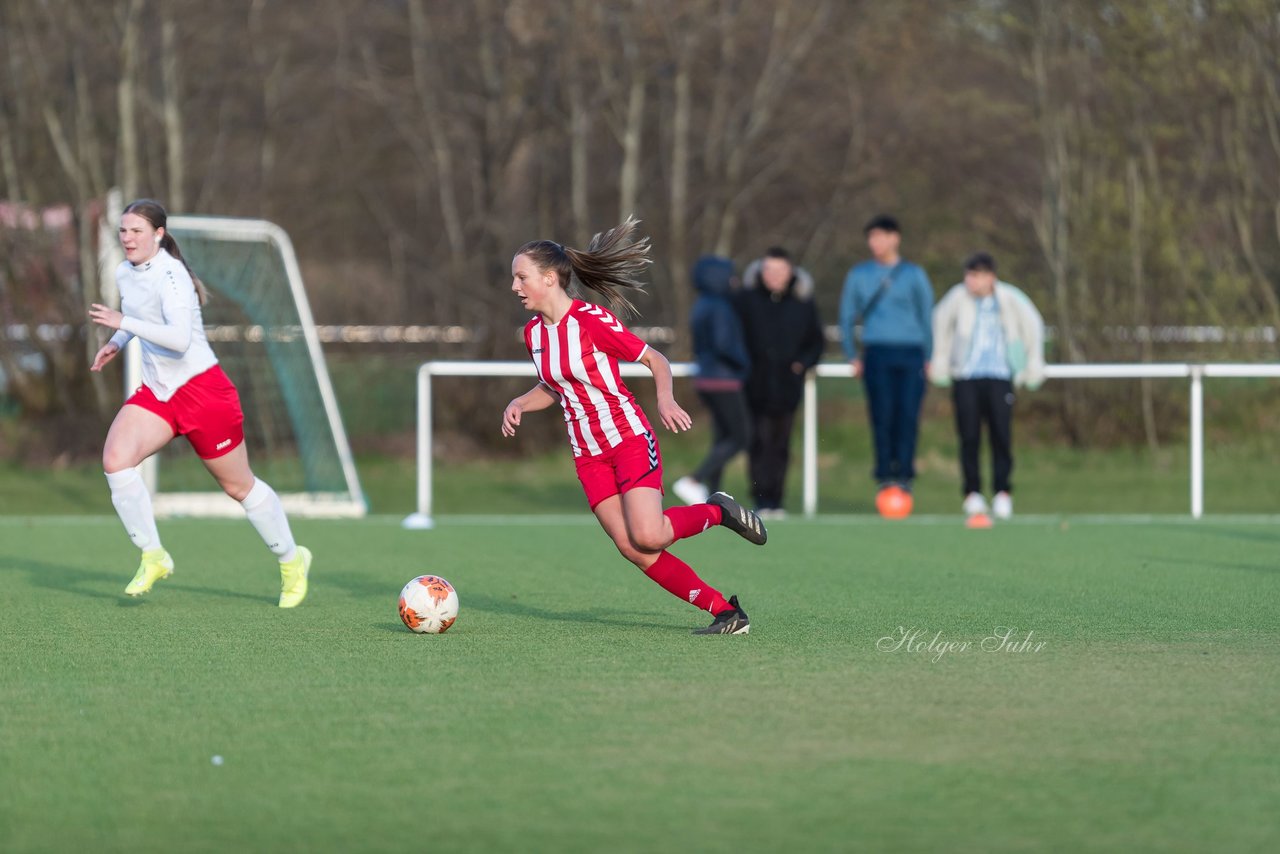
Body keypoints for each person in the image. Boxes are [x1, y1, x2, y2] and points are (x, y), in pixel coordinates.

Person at [500, 217, 764, 635]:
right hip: (588, 455)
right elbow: (555, 386)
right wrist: (520, 402)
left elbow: (654, 359)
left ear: (549, 278)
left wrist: (664, 398)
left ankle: (718, 511)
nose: (515, 287)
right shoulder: (534, 334)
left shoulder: (591, 321)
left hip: (627, 438)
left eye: (521, 277)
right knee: (633, 548)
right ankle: (726, 612)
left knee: (650, 534)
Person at [89, 199, 311, 606]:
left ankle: (291, 560)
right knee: (115, 460)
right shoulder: (125, 272)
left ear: (158, 234)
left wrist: (124, 324)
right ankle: (154, 555)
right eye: (123, 230)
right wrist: (117, 342)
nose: (128, 238)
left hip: (204, 393)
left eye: (137, 230)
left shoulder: (173, 276)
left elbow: (178, 339)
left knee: (238, 485)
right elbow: (136, 315)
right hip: (158, 393)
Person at [930, 252, 1045, 520]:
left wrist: (1032, 366)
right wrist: (941, 363)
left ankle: (1003, 492)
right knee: (969, 437)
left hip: (1000, 376)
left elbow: (1033, 327)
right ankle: (972, 494)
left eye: (977, 275)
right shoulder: (957, 297)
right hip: (967, 377)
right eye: (968, 275)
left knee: (1001, 437)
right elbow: (939, 325)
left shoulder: (1009, 298)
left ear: (990, 276)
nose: (971, 281)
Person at [838, 215, 934, 497]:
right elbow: (846, 317)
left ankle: (904, 475)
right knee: (882, 416)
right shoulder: (859, 275)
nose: (875, 243)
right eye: (871, 237)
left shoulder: (914, 274)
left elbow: (927, 318)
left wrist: (929, 356)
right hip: (876, 353)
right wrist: (851, 355)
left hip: (911, 353)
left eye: (881, 236)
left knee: (907, 415)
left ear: (895, 238)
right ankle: (884, 475)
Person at [737, 247, 825, 517]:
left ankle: (777, 500)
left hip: (788, 387)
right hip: (755, 386)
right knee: (758, 443)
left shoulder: (803, 303)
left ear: (791, 273)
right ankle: (761, 500)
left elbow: (817, 341)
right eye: (769, 270)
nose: (775, 276)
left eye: (781, 270)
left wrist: (802, 364)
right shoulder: (746, 301)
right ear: (761, 272)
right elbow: (734, 338)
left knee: (781, 444)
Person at [671, 255, 750, 506]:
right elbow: (724, 343)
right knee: (741, 437)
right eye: (730, 275)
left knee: (722, 437)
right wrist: (744, 362)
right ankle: (695, 480)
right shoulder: (719, 306)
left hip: (706, 377)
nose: (734, 280)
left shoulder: (702, 304)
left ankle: (714, 494)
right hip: (723, 379)